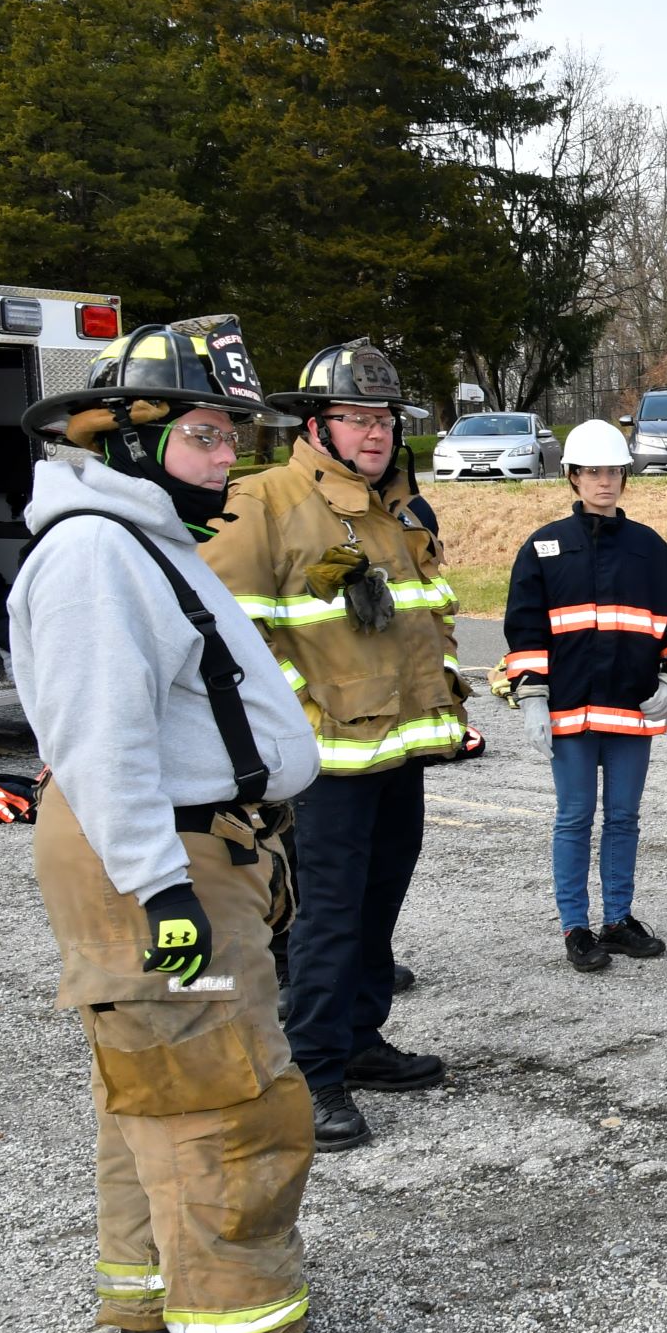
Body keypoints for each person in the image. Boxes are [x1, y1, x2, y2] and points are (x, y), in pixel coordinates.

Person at [9, 321, 371, 1333]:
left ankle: (149, 1301)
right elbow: (99, 736)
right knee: (226, 1092)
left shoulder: (139, 543)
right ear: (126, 440)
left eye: (230, 439)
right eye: (209, 437)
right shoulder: (92, 553)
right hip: (159, 855)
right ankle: (243, 1327)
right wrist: (161, 884)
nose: (229, 460)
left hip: (187, 845)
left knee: (154, 1089)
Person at [204, 340, 463, 1152]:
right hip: (328, 764)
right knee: (326, 919)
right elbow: (226, 635)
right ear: (314, 425)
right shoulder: (265, 503)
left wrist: (446, 701)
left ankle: (359, 1040)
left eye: (383, 418)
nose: (375, 433)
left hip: (399, 751)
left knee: (378, 908)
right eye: (354, 418)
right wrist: (293, 723)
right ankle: (312, 1073)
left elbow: (428, 616)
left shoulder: (397, 507)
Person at [498, 419, 667, 973]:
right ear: (573, 477)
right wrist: (532, 695)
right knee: (574, 817)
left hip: (630, 708)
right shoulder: (543, 546)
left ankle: (617, 920)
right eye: (593, 472)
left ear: (624, 477)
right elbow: (526, 626)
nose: (604, 481)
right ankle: (576, 927)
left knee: (625, 818)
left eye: (613, 471)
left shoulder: (650, 549)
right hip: (567, 710)